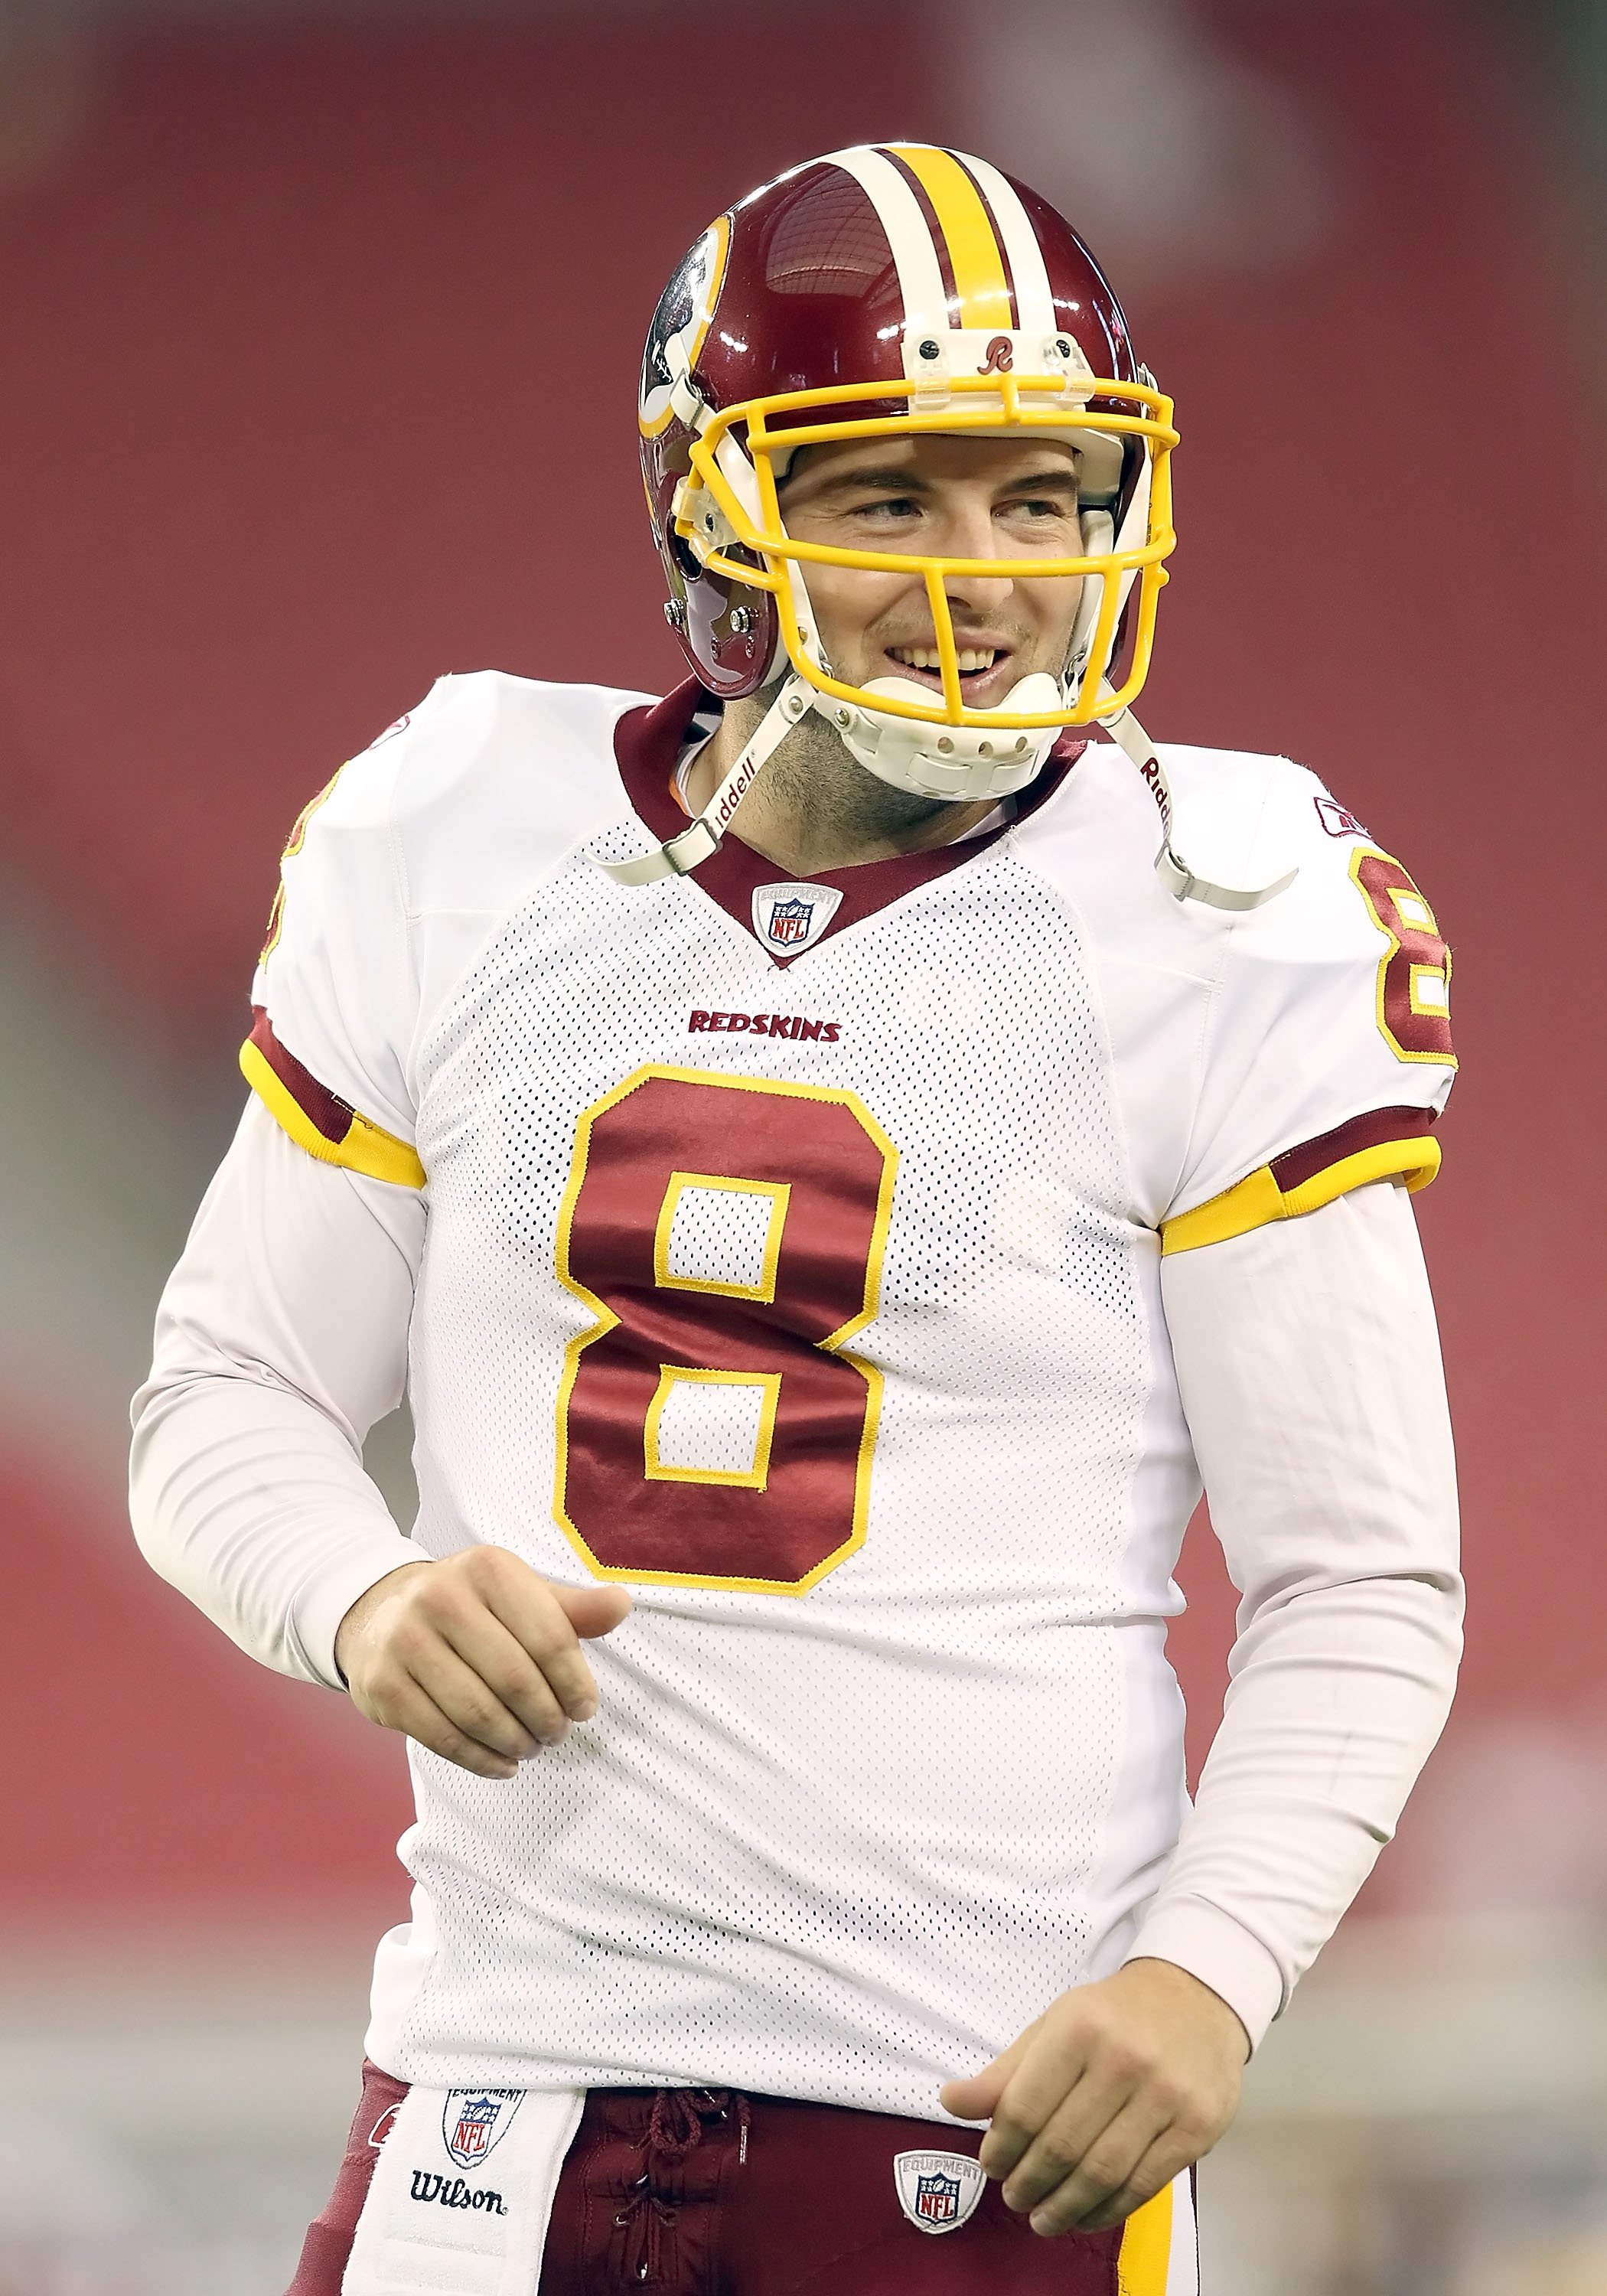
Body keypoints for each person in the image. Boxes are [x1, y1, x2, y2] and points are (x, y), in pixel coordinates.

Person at [129, 142, 1462, 2296]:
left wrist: (1206, 1975)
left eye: (1040, 495)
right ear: (708, 512)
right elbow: (226, 1394)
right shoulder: (460, 825)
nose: (990, 570)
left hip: (972, 2115)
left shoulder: (1223, 905)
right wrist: (358, 1601)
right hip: (492, 2097)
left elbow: (1357, 1575)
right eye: (892, 495)